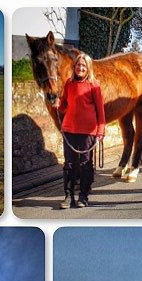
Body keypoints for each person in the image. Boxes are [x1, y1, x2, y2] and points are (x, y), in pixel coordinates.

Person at [57, 54, 106, 209]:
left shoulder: (94, 85)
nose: (80, 68)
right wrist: (57, 104)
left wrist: (100, 131)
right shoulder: (69, 84)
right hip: (69, 129)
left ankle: (83, 196)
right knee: (69, 164)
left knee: (85, 164)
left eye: (84, 66)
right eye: (78, 65)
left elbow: (100, 111)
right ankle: (68, 196)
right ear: (75, 66)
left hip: (88, 131)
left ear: (88, 68)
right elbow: (64, 105)